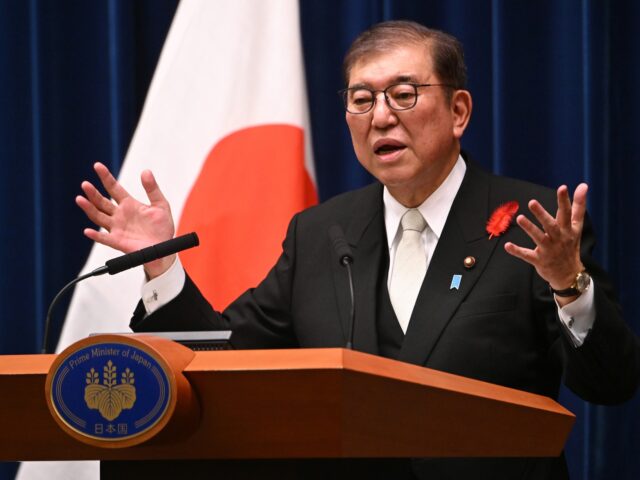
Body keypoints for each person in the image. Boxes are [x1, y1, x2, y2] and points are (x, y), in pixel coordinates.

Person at [77, 20, 638, 480]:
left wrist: (570, 285)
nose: (382, 117)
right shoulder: (321, 233)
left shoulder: (532, 225)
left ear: (459, 111)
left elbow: (610, 384)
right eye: (362, 100)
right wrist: (162, 265)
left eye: (403, 94)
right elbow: (227, 363)